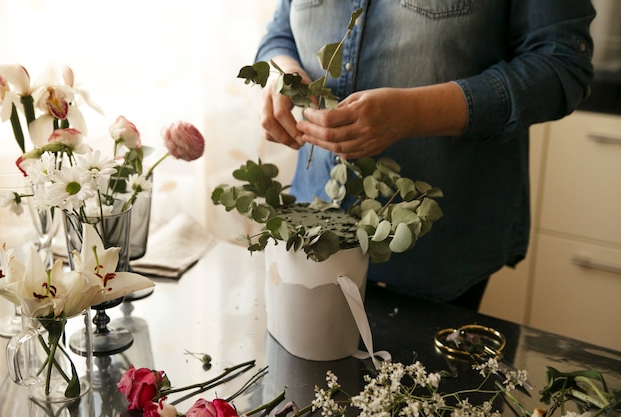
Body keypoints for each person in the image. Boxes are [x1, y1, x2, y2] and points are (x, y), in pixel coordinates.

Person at [254, 0, 595, 310]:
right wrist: (278, 72)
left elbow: (561, 65)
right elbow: (280, 31)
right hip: (314, 233)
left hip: (438, 250)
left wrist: (414, 113)